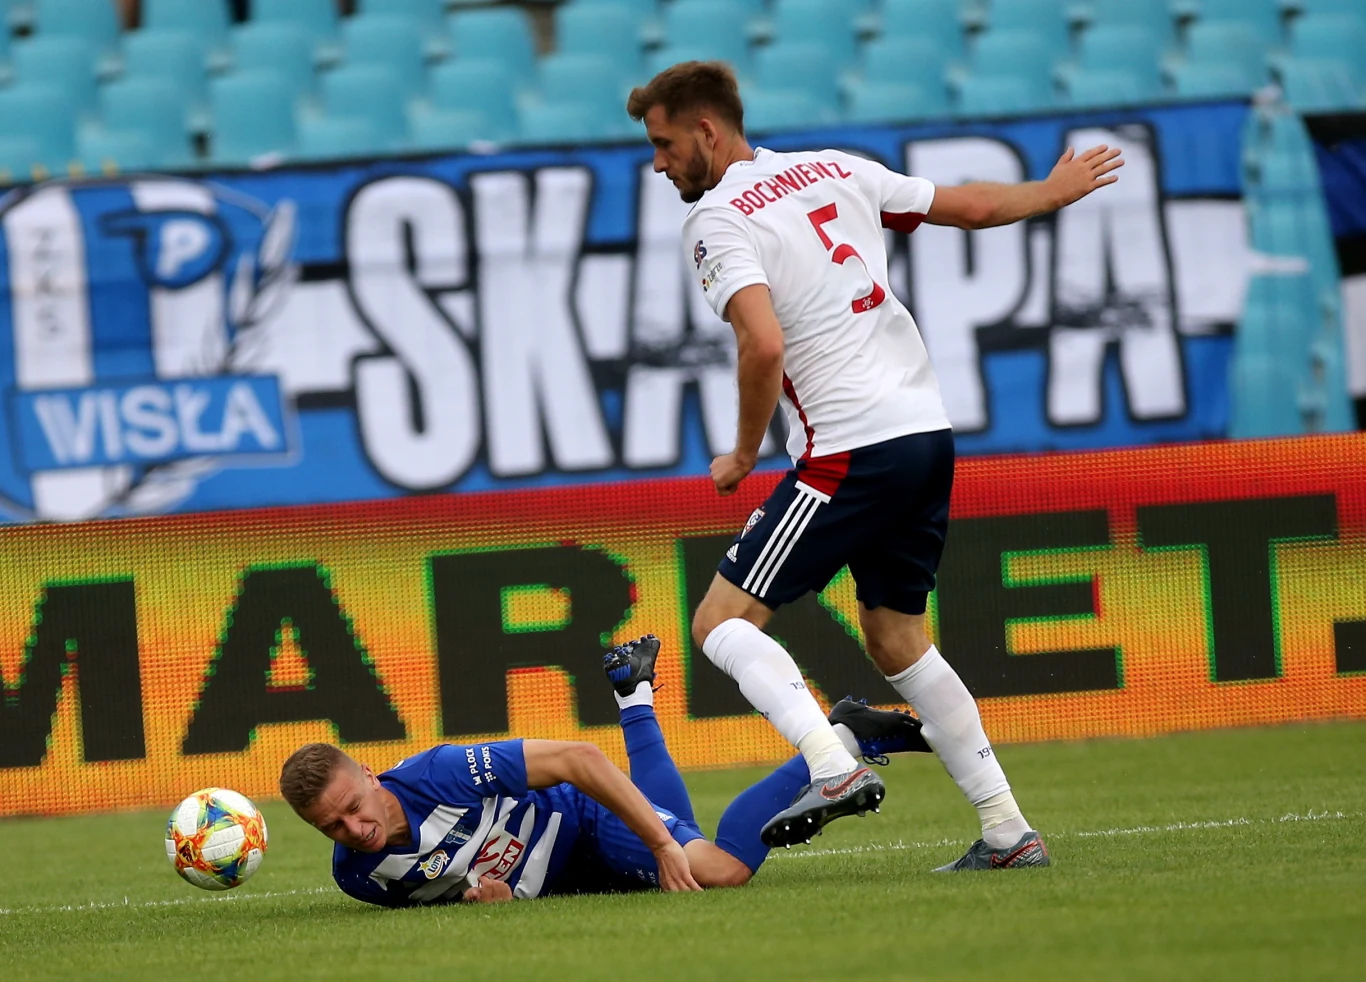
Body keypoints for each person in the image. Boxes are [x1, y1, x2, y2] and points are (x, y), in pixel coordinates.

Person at [626, 61, 1124, 869]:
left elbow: (762, 344)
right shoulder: (835, 168)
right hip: (925, 434)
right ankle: (1007, 832)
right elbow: (970, 206)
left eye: (663, 144)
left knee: (719, 623)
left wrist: (745, 451)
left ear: (707, 132)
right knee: (895, 637)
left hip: (848, 449)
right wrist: (1050, 192)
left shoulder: (717, 218)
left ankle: (830, 764)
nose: (657, 163)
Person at [279, 636, 930, 904]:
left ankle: (840, 738)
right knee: (679, 835)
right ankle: (634, 697)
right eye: (331, 826)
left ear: (370, 775)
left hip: (582, 822)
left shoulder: (442, 774)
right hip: (566, 881)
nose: (352, 829)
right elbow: (451, 892)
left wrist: (659, 844)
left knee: (717, 869)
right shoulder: (357, 878)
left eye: (352, 806)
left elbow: (578, 759)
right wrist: (489, 899)